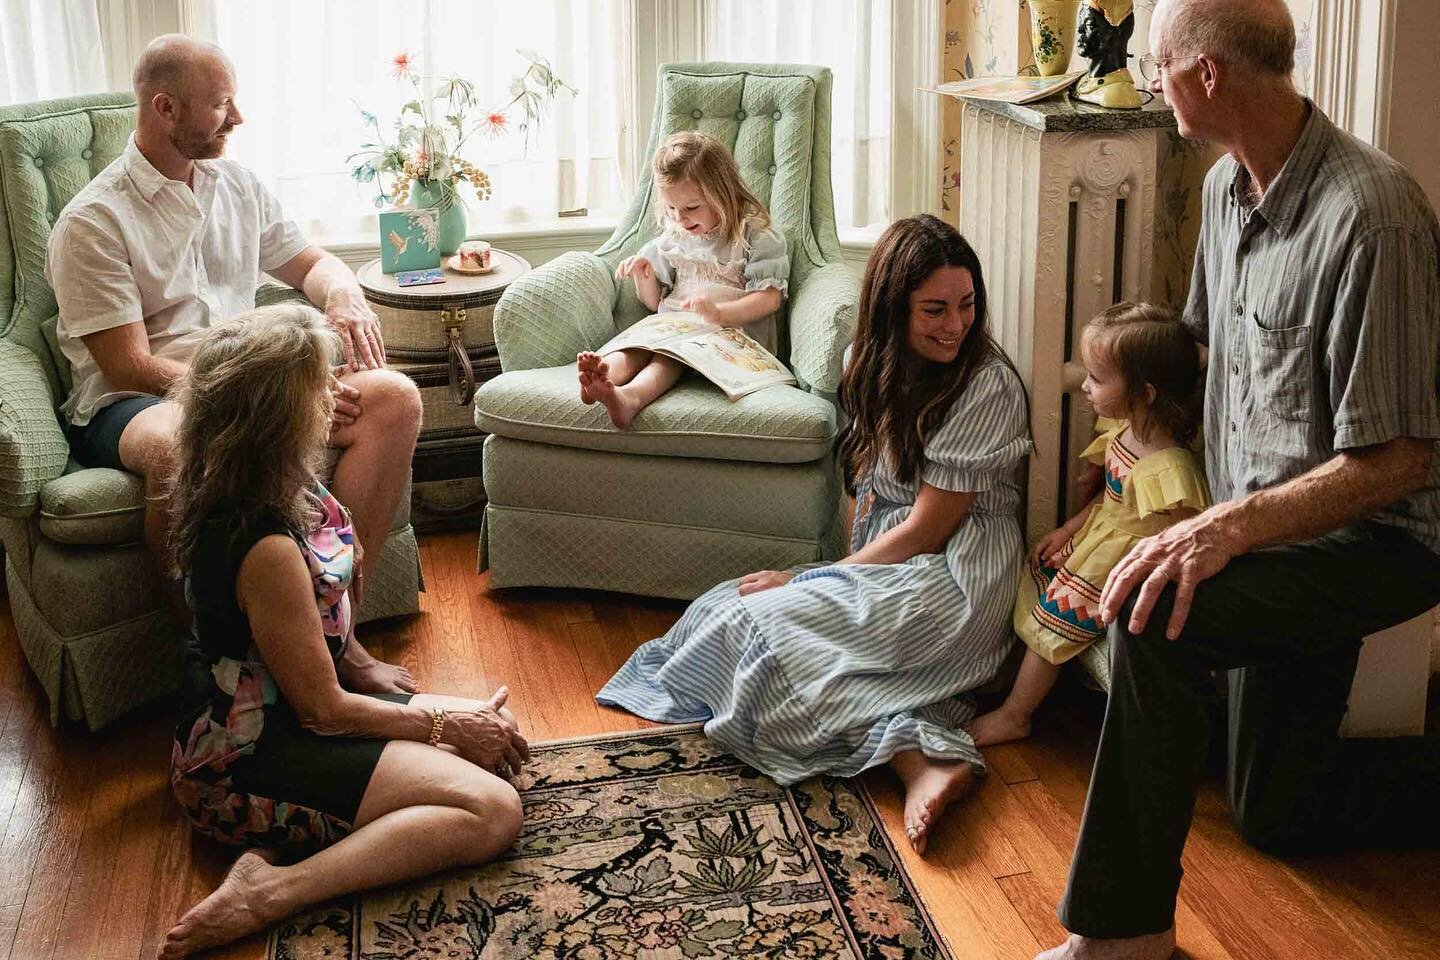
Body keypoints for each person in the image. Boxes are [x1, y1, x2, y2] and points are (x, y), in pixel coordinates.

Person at [1039, 2, 1440, 958]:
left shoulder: (1372, 217)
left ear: (1206, 74)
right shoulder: (1225, 192)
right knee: (1274, 814)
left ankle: (1123, 936)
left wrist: (1216, 533)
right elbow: (1204, 356)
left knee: (1153, 617)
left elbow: (1400, 461)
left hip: (1377, 536)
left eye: (1156, 63)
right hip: (1269, 526)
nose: (1151, 78)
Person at [598, 214, 1033, 855]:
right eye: (934, 309)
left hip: (956, 574)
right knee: (722, 615)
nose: (956, 325)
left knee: (767, 646)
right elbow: (871, 494)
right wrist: (836, 576)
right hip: (892, 557)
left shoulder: (985, 385)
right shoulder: (868, 362)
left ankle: (917, 757)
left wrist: (813, 580)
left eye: (967, 305)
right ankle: (918, 756)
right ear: (893, 310)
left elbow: (926, 530)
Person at [159, 306, 528, 959]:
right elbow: (325, 713)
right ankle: (274, 890)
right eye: (321, 386)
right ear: (278, 414)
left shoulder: (283, 477)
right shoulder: (261, 544)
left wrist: (362, 664)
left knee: (499, 741)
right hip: (244, 756)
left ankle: (323, 827)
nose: (340, 394)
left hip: (298, 708)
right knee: (493, 812)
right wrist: (443, 729)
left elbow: (323, 632)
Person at [45, 35, 421, 664]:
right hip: (137, 400)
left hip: (254, 379)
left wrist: (344, 293)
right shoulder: (93, 222)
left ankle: (338, 634)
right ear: (165, 110)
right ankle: (208, 656)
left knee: (394, 399)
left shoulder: (237, 185)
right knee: (175, 444)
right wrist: (272, 392)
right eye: (222, 104)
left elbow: (312, 263)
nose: (238, 118)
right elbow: (128, 366)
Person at [968, 303, 1208, 747]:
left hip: (1122, 562)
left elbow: (1188, 538)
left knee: (1055, 622)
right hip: (1099, 540)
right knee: (1039, 578)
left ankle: (1015, 715)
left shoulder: (1168, 468)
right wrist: (1070, 530)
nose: (1085, 385)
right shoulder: (1128, 431)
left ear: (1145, 392)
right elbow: (1109, 500)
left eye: (1097, 378)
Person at [577, 131, 789, 428]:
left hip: (728, 337)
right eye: (672, 208)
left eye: (691, 208)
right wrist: (644, 276)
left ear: (723, 194)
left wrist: (720, 313)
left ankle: (631, 399)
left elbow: (770, 298)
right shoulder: (674, 236)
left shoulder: (754, 235)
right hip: (676, 327)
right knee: (640, 346)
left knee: (669, 356)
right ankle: (601, 377)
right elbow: (654, 304)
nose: (680, 218)